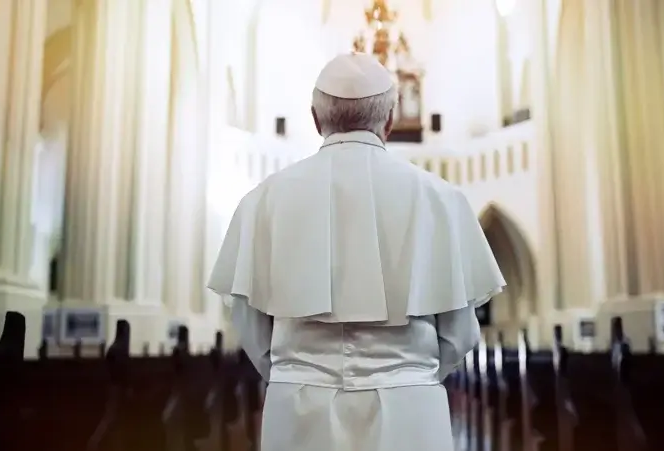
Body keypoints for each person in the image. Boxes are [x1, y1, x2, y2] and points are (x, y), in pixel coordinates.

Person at [207, 52, 505, 451]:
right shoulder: (441, 199)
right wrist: (411, 374)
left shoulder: (264, 199)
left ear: (315, 119)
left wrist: (296, 373)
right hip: (410, 411)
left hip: (298, 411)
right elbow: (460, 333)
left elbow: (249, 324)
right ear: (390, 120)